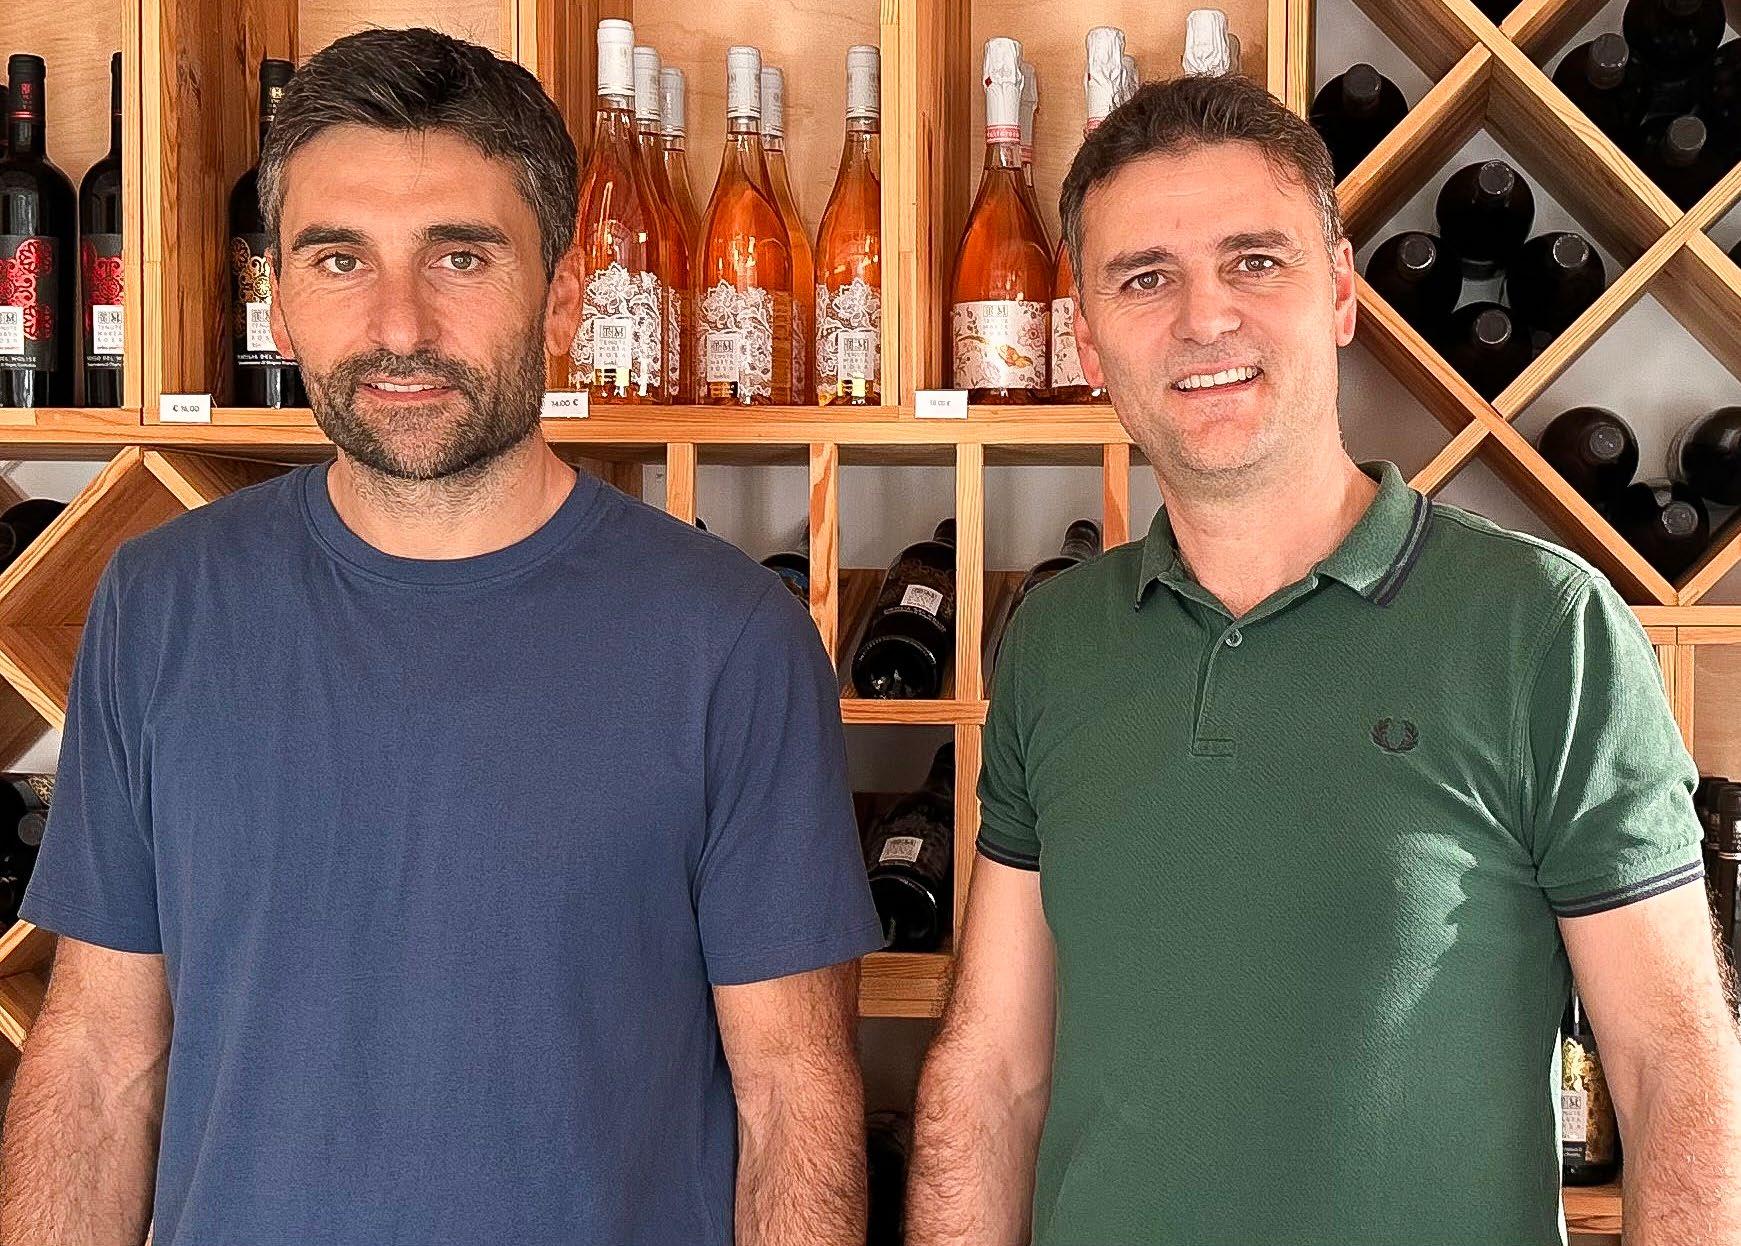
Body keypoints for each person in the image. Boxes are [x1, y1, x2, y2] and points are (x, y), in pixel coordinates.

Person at [0, 28, 882, 1246]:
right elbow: (97, 1057)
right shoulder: (161, 605)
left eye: (459, 256)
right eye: (339, 258)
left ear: (561, 295)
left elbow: (791, 1098)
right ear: (278, 300)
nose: (398, 325)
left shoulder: (730, 639)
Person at [908, 74, 1741, 1245]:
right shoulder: (1053, 639)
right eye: (1144, 278)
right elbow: (992, 1069)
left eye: (1254, 262)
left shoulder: (1543, 627)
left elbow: (1672, 1068)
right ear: (1086, 339)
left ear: (1340, 294)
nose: (1204, 319)